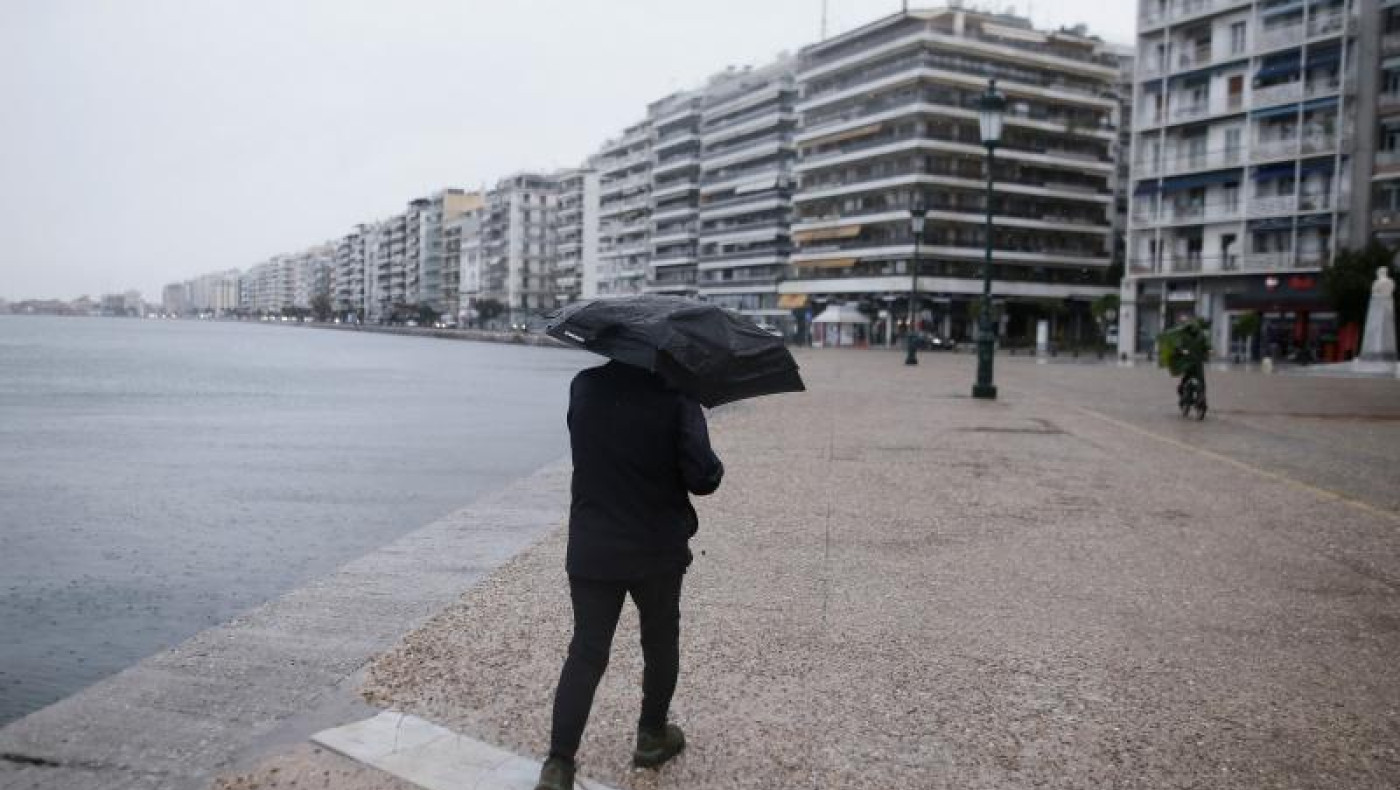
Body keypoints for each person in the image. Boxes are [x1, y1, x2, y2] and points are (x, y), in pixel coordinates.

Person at [535, 360, 724, 790]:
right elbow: (703, 478)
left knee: (586, 651)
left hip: (593, 544)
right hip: (656, 546)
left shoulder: (584, 386)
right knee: (659, 640)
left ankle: (558, 765)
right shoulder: (677, 396)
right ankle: (652, 736)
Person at [1171, 319, 1210, 402]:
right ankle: (1183, 393)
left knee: (1201, 380)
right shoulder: (1184, 336)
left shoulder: (1201, 336)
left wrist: (1208, 351)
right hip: (1187, 362)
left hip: (1198, 362)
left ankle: (1201, 397)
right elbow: (1178, 346)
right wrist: (1181, 350)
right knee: (1186, 378)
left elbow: (1206, 346)